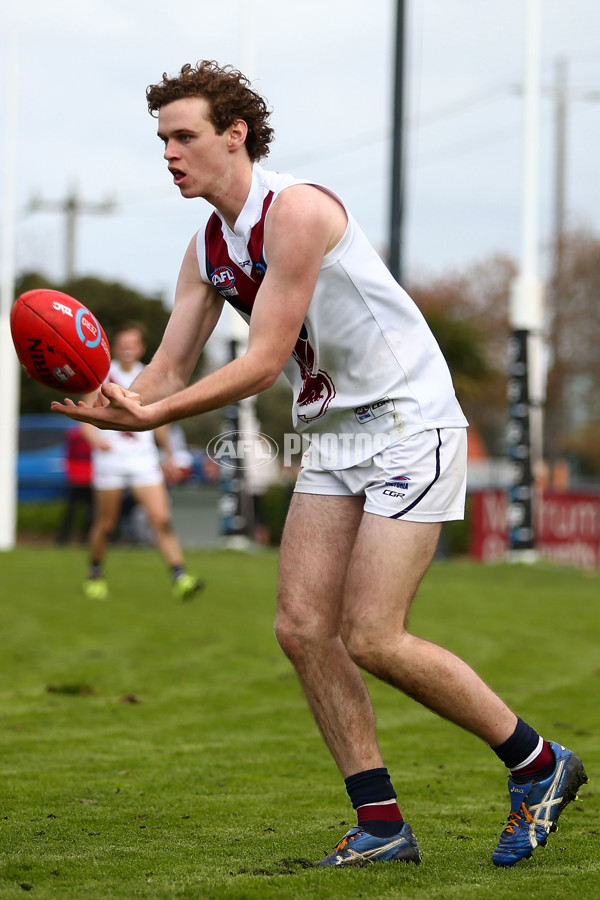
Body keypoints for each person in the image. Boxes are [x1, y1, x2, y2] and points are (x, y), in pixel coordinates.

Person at [51, 60, 587, 867]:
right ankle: (381, 826)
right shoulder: (205, 246)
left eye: (184, 136)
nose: (169, 153)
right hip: (334, 437)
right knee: (303, 628)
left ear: (235, 135)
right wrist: (110, 396)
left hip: (410, 422)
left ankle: (539, 764)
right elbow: (164, 369)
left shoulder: (296, 211)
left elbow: (264, 361)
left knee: (373, 634)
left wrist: (158, 416)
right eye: (162, 139)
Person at [79, 321, 203, 602]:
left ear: (141, 348)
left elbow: (158, 422)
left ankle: (180, 577)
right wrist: (98, 441)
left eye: (132, 344)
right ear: (114, 346)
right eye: (122, 344)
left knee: (161, 519)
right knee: (106, 524)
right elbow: (85, 420)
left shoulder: (148, 376)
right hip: (110, 461)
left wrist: (170, 455)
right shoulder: (99, 374)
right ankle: (95, 574)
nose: (126, 349)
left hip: (143, 461)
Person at [55, 424, 94, 544]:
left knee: (74, 511)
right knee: (87, 511)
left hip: (81, 476)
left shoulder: (74, 433)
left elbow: (68, 455)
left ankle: (65, 538)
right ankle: (83, 538)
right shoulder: (79, 434)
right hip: (85, 477)